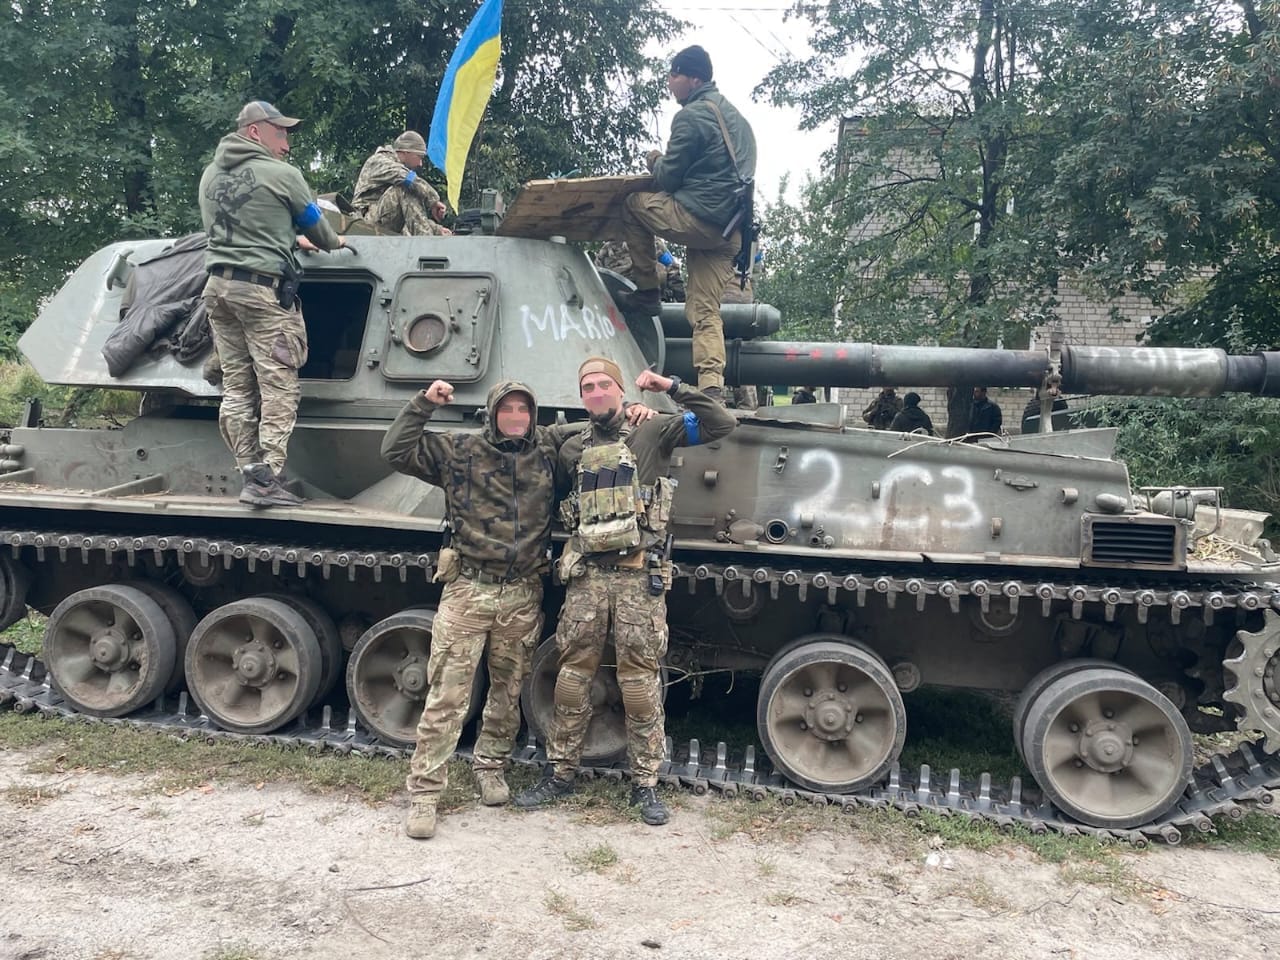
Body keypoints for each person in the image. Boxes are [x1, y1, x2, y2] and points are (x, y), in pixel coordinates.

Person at [513, 358, 736, 826]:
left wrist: (669, 386)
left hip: (638, 578)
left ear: (620, 389)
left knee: (638, 684)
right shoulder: (572, 446)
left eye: (604, 385)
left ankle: (645, 783)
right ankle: (560, 772)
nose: (596, 393)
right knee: (572, 679)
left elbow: (721, 422)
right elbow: (534, 456)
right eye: (587, 387)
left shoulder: (653, 431)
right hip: (588, 578)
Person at [381, 380, 559, 840]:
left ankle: (490, 766)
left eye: (524, 409)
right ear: (492, 413)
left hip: (521, 592)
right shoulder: (459, 451)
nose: (516, 416)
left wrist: (633, 413)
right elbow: (395, 451)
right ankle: (425, 793)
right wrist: (423, 404)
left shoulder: (547, 450)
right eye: (507, 408)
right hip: (469, 590)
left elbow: (597, 431)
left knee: (507, 690)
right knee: (447, 694)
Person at [199, 100, 347, 508]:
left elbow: (238, 231)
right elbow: (321, 233)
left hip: (217, 289)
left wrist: (286, 239)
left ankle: (250, 472)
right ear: (255, 132)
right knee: (279, 384)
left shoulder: (210, 174)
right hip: (261, 293)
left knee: (236, 386)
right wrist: (334, 241)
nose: (286, 144)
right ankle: (270, 477)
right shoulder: (283, 175)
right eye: (280, 133)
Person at [618, 45, 756, 402]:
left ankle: (647, 291)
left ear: (693, 78)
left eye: (674, 74)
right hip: (730, 231)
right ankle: (711, 388)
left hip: (699, 220)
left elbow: (668, 177)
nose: (669, 82)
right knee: (705, 311)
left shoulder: (691, 117)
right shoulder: (738, 120)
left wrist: (653, 158)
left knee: (632, 204)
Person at [352, 131, 449, 236]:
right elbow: (410, 179)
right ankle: (426, 241)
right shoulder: (380, 161)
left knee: (410, 188)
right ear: (406, 152)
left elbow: (411, 212)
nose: (420, 163)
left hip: (376, 218)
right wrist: (433, 200)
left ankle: (427, 237)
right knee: (406, 187)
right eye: (419, 157)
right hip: (363, 222)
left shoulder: (394, 167)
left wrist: (436, 229)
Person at [596, 239, 685, 302]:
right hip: (619, 296)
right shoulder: (606, 250)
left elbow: (672, 270)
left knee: (659, 268)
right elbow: (597, 276)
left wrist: (681, 299)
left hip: (653, 294)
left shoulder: (654, 243)